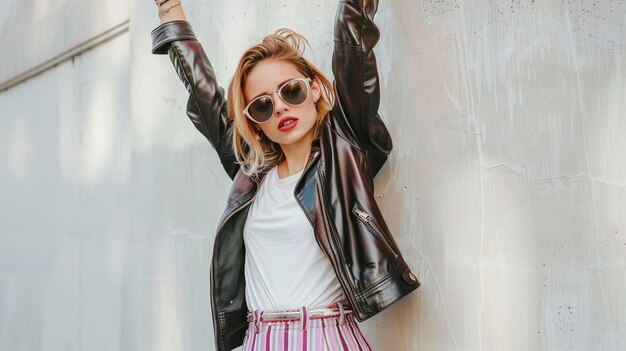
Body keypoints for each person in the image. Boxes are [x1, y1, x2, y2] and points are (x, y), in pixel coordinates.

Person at [150, 0, 420, 350]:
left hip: (326, 338)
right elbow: (204, 96)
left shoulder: (345, 150)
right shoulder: (250, 173)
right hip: (258, 340)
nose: (279, 106)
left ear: (315, 89)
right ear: (255, 124)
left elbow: (352, 43)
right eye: (262, 105)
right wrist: (170, 12)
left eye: (290, 91)